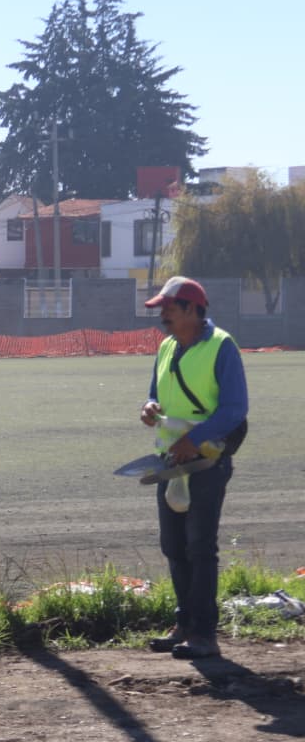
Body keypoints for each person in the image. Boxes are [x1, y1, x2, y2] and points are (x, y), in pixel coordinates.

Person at [139, 276, 248, 660]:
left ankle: (204, 634)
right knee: (174, 546)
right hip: (171, 459)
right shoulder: (166, 346)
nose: (162, 315)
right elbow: (156, 392)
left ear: (191, 310)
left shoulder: (222, 347)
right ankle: (184, 623)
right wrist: (149, 407)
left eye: (168, 308)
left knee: (200, 547)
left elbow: (235, 409)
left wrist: (195, 439)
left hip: (206, 461)